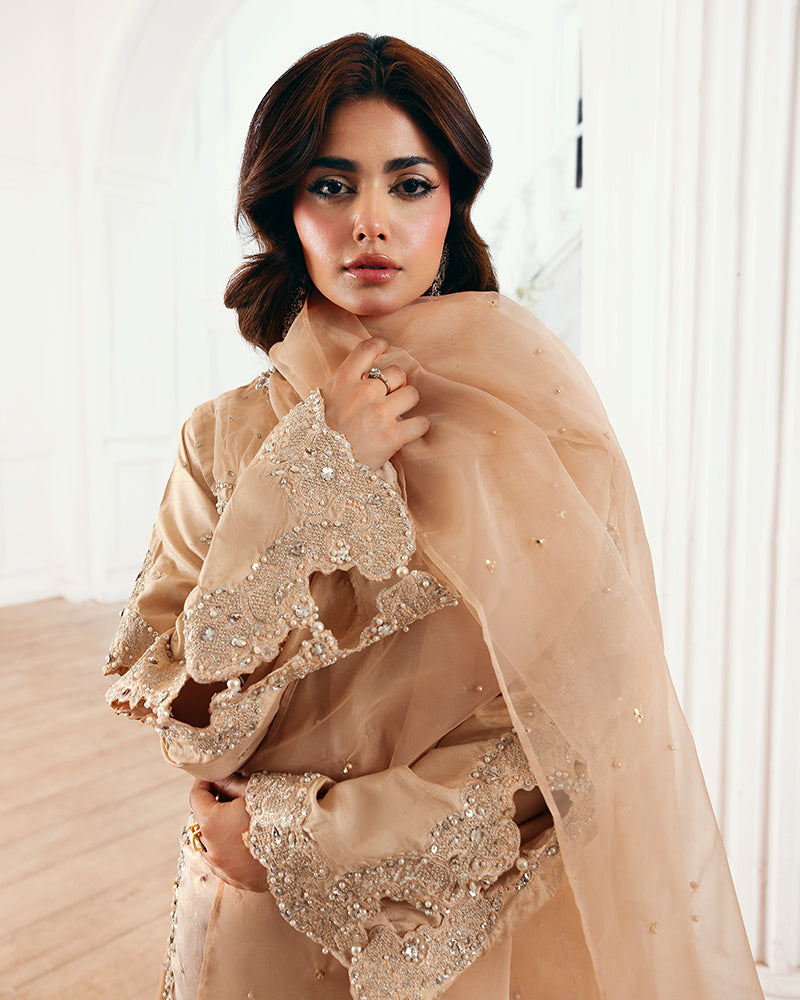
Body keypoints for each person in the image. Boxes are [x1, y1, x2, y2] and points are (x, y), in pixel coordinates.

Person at [104, 33, 764, 1000]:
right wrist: (298, 485)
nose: (369, 222)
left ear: (453, 205)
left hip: (478, 927)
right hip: (255, 927)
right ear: (285, 207)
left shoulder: (545, 430)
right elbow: (195, 729)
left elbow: (577, 740)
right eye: (332, 185)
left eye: (409, 185)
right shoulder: (222, 438)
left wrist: (289, 835)